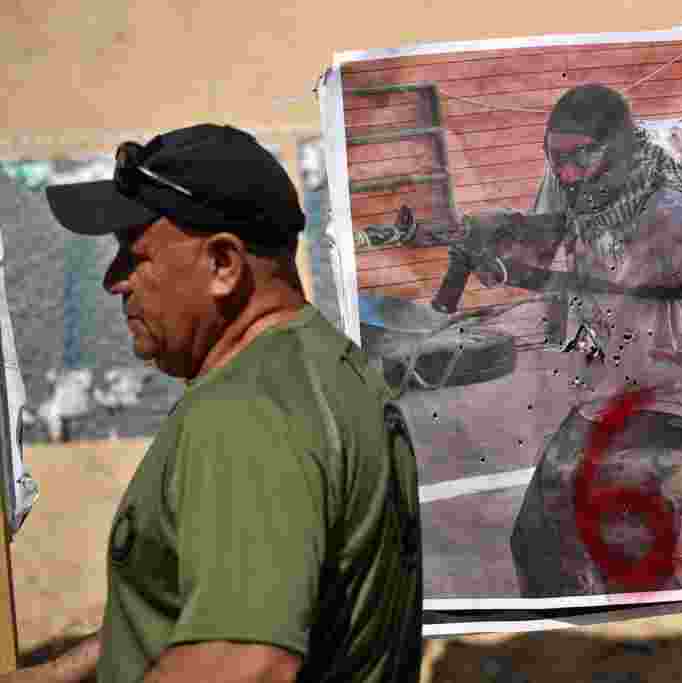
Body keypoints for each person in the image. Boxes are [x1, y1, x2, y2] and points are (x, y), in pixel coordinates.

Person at [7, 124, 422, 683]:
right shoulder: (324, 371)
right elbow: (223, 602)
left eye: (134, 252)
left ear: (224, 264)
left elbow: (244, 661)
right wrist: (57, 674)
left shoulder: (248, 412)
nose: (114, 281)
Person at [450, 84, 682, 597]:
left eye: (577, 158)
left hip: (674, 405)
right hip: (612, 393)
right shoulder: (586, 199)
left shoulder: (671, 213)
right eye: (554, 158)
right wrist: (496, 242)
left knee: (631, 566)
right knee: (540, 546)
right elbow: (562, 253)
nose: (563, 173)